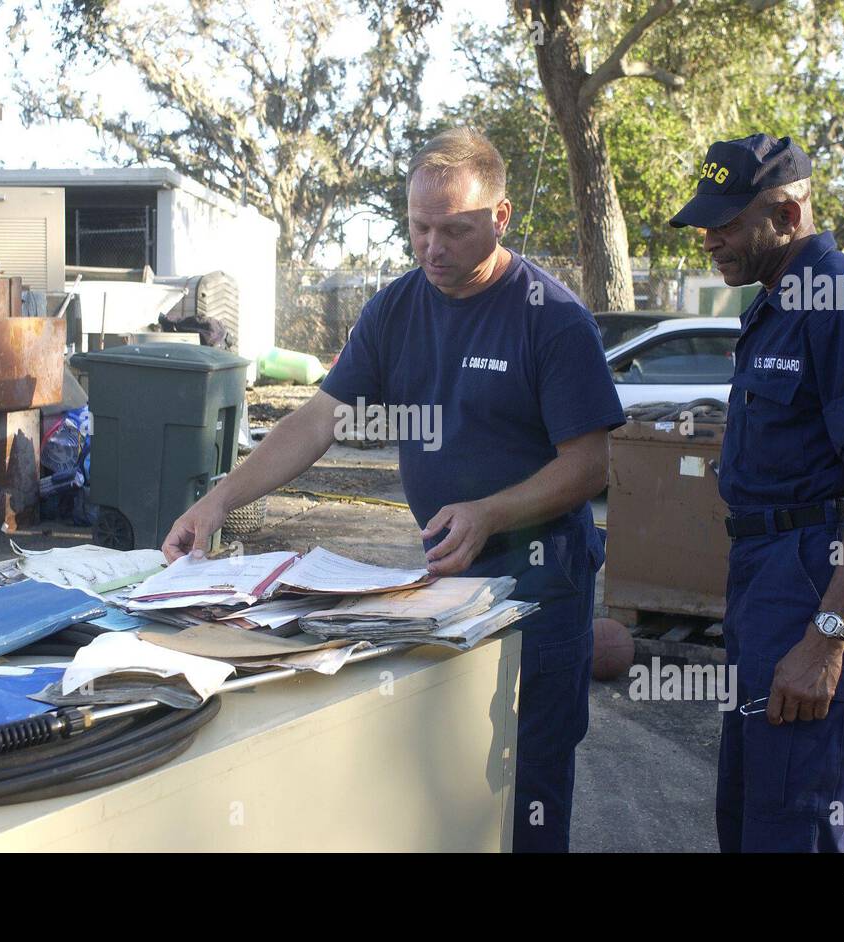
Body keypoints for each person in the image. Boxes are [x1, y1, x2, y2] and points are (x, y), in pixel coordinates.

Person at [163, 126, 625, 852]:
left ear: (500, 219)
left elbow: (591, 465)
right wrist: (217, 500)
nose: (433, 247)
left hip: (542, 587)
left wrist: (491, 511)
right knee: (440, 774)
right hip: (441, 579)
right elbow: (316, 421)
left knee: (524, 778)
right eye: (419, 228)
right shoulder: (396, 309)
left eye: (455, 229)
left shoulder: (554, 319)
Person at [670, 133, 844, 852]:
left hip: (819, 590)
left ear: (786, 211)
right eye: (703, 222)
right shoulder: (779, 302)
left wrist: (826, 638)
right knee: (753, 822)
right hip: (769, 585)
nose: (708, 238)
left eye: (725, 221)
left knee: (796, 833)